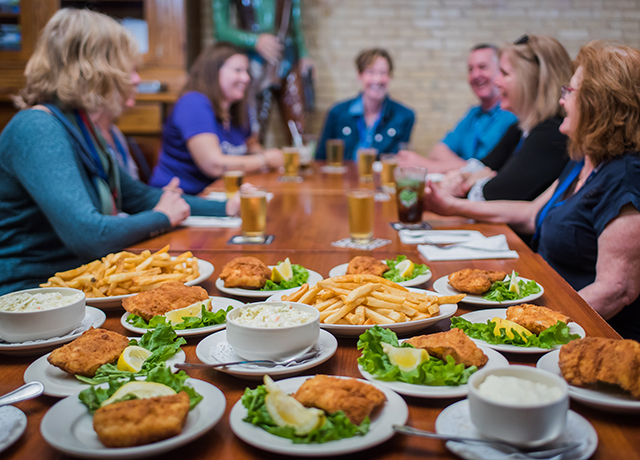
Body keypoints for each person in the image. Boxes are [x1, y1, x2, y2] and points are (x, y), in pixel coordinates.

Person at [0, 9, 236, 296]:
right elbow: (88, 236)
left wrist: (227, 209)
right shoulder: (37, 127)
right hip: (30, 299)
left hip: (77, 291)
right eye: (128, 69)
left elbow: (138, 196)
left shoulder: (80, 126)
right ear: (93, 69)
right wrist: (162, 217)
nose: (136, 79)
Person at [422, 40, 640, 340]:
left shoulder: (626, 176)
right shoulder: (585, 160)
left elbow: (616, 290)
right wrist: (451, 207)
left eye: (570, 92)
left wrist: (535, 330)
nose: (561, 101)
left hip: (586, 335)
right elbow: (530, 213)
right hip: (548, 306)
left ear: (598, 103)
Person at [439, 35, 572, 202]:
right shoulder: (519, 128)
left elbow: (497, 193)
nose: (497, 81)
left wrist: (474, 181)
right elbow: (482, 165)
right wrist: (475, 176)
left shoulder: (550, 133)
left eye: (504, 73)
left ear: (530, 81)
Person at [149, 43, 283, 195]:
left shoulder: (237, 108)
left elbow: (251, 145)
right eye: (237, 70)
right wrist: (265, 160)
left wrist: (265, 155)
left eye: (247, 71)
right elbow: (213, 165)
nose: (246, 78)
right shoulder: (193, 103)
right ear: (213, 72)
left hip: (218, 195)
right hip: (182, 198)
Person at [397, 44, 517, 172]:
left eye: (482, 67)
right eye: (470, 69)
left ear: (500, 72)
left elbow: (492, 167)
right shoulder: (474, 114)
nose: (475, 75)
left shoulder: (513, 115)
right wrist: (467, 168)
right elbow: (438, 151)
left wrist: (428, 166)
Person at [212, 0, 314, 143]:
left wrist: (303, 54)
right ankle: (255, 163)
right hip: (254, 64)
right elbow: (220, 30)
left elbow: (295, 23)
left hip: (288, 59)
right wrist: (254, 41)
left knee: (299, 132)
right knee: (254, 131)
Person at [316, 48, 415, 161]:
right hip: (342, 178)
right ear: (360, 75)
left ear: (390, 76)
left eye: (383, 73)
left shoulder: (405, 116)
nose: (377, 79)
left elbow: (400, 161)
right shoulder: (337, 112)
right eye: (370, 72)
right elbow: (320, 159)